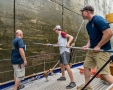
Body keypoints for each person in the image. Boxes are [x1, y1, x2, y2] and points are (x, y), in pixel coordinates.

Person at [77, 5, 113, 90]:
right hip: (92, 50)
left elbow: (109, 33)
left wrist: (98, 46)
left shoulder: (98, 20)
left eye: (83, 12)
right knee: (86, 66)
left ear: (88, 12)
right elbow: (90, 37)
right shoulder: (88, 25)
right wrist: (87, 45)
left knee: (104, 73)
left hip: (102, 51)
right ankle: (87, 86)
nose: (81, 14)